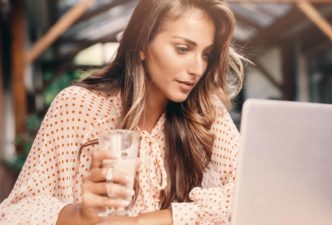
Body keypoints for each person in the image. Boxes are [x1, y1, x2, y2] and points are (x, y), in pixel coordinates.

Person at [0, 0, 247, 224]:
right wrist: (80, 216)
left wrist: (146, 221)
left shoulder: (205, 113)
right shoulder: (79, 106)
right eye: (182, 49)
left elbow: (248, 192)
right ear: (142, 44)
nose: (197, 68)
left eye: (206, 55)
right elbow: (15, 213)